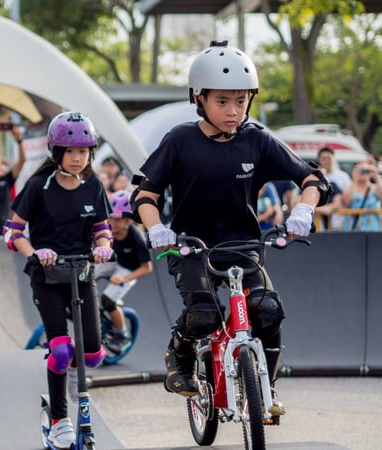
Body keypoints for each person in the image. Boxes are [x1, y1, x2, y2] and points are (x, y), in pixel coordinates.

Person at [132, 41, 329, 417]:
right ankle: (181, 352)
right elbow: (145, 194)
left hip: (242, 244)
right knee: (203, 315)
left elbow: (311, 178)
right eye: (222, 101)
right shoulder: (179, 140)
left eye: (241, 100)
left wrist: (305, 208)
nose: (233, 111)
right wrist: (158, 230)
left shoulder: (257, 139)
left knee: (267, 309)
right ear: (198, 98)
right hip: (190, 245)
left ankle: (266, 390)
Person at [3, 111, 112, 449]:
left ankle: (68, 377)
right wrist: (35, 252)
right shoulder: (39, 186)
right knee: (62, 350)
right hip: (47, 277)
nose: (78, 158)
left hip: (81, 273)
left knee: (93, 353)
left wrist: (104, 247)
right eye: (71, 151)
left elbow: (102, 229)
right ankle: (60, 418)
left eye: (84, 151)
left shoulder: (93, 185)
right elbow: (13, 232)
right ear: (56, 152)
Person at [95, 190, 152, 353]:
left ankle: (122, 334)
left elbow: (147, 268)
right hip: (115, 260)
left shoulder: (136, 238)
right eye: (110, 217)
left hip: (129, 270)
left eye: (117, 219)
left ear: (128, 220)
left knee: (107, 300)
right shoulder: (107, 230)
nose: (112, 222)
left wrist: (124, 278)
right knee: (86, 272)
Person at [341, 161, 382, 231]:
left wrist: (376, 177)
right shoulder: (350, 188)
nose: (362, 172)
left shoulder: (375, 188)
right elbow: (346, 203)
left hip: (372, 228)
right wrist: (354, 179)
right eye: (359, 170)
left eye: (365, 170)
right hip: (353, 228)